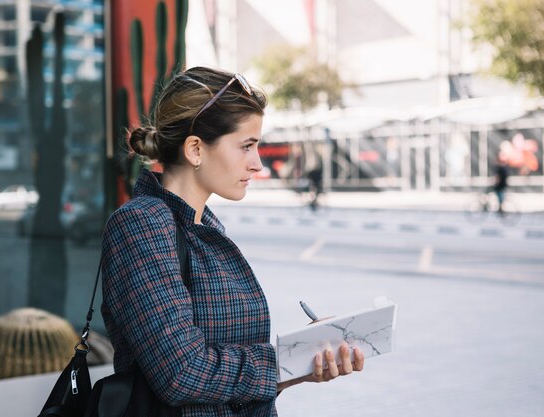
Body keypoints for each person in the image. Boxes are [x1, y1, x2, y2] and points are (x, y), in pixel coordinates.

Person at [100, 67, 364, 416]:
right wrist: (288, 358)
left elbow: (225, 385)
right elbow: (183, 373)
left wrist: (303, 362)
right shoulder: (141, 225)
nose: (256, 164)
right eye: (247, 146)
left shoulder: (205, 225)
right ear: (195, 149)